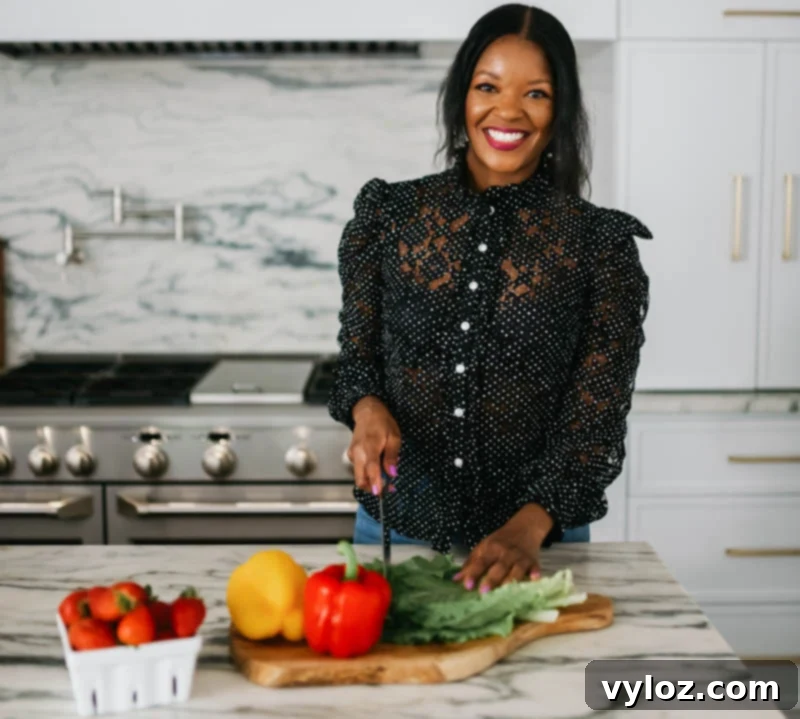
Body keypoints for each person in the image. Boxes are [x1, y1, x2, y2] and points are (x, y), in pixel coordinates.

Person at [328, 3, 652, 593]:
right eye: (488, 87)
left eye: (536, 93)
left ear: (560, 112)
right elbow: (357, 359)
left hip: (536, 539)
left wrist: (527, 528)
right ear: (462, 98)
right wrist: (367, 407)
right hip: (399, 527)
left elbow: (595, 420)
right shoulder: (388, 216)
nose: (507, 110)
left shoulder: (601, 245)